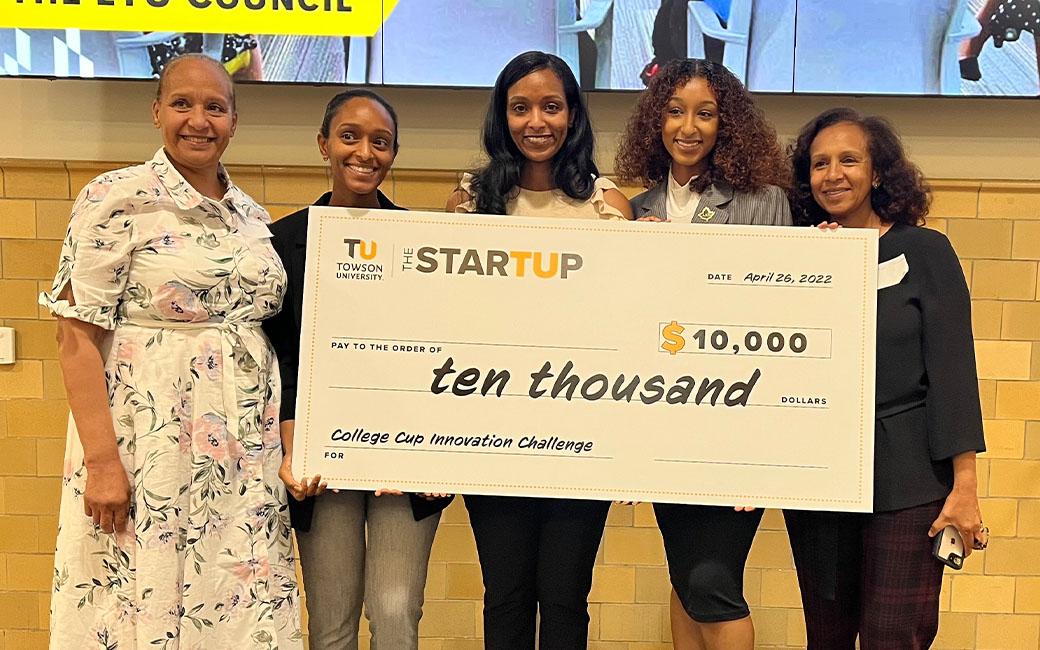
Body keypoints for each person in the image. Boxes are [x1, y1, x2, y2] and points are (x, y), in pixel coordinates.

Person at [41, 54, 301, 649]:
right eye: (183, 103)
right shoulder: (115, 197)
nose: (198, 120)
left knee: (237, 594)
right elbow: (76, 336)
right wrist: (104, 462)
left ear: (234, 120)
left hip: (240, 452)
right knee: (138, 591)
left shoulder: (252, 218)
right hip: (145, 442)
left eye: (215, 106)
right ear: (157, 111)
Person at [445, 50, 632, 650]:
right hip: (491, 433)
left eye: (551, 106)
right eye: (520, 107)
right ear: (502, 117)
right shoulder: (470, 201)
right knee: (503, 596)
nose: (536, 121)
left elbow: (629, 328)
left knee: (565, 597)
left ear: (573, 115)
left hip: (583, 439)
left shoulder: (609, 206)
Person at [784, 107, 988, 649]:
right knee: (825, 638)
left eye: (849, 160)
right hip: (820, 480)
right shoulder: (799, 257)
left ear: (877, 173)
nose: (833, 175)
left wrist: (964, 488)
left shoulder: (925, 250)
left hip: (910, 479)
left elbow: (953, 373)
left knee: (893, 637)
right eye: (819, 164)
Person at [260, 89, 449, 650]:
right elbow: (282, 360)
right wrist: (293, 448)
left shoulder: (426, 245)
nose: (364, 152)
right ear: (324, 144)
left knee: (394, 617)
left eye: (380, 141)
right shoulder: (283, 241)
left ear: (393, 153)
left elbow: (445, 356)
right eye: (349, 136)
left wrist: (444, 453)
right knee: (332, 624)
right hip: (319, 457)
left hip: (404, 460)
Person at [614, 57, 790, 650]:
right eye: (674, 111)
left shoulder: (762, 201)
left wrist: (759, 450)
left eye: (706, 114)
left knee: (712, 583)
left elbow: (779, 319)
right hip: (664, 423)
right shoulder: (633, 212)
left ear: (728, 125)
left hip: (734, 426)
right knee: (686, 577)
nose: (688, 127)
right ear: (654, 120)